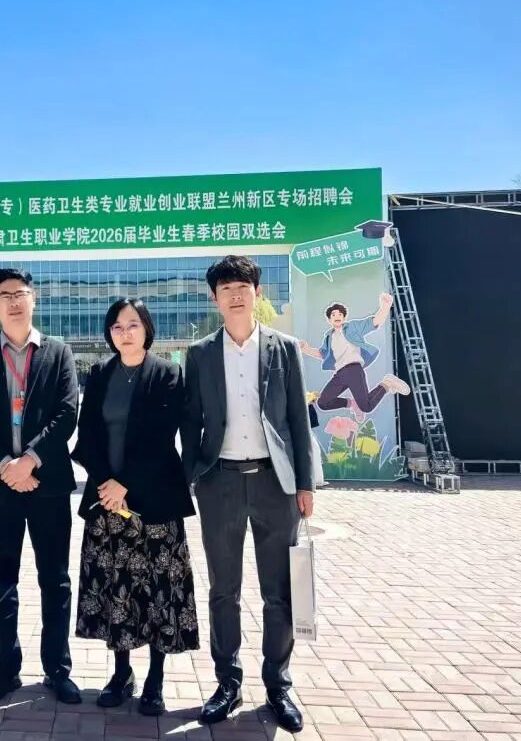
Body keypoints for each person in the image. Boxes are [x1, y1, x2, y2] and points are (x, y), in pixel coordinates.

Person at [181, 255, 318, 733]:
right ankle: (228, 682)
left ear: (256, 293)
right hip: (219, 483)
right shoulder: (199, 354)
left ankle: (278, 684)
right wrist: (194, 476)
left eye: (243, 287)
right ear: (215, 298)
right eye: (226, 288)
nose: (236, 295)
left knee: (278, 592)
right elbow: (190, 422)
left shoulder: (283, 349)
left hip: (274, 484)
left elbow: (298, 421)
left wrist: (305, 484)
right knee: (224, 590)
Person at [72, 298, 199, 717]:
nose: (124, 333)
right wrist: (106, 484)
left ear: (147, 329)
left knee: (158, 589)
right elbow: (87, 434)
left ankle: (155, 679)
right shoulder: (100, 374)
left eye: (132, 325)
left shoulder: (167, 374)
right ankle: (121, 673)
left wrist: (124, 483)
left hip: (155, 501)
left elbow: (161, 438)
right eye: (117, 326)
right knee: (117, 588)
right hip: (107, 502)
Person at [0, 268, 81, 705]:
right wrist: (4, 465)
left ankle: (58, 670)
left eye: (21, 293)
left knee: (56, 580)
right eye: (5, 295)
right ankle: (4, 671)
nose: (14, 301)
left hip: (48, 485)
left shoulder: (58, 353)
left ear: (34, 299)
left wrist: (30, 459)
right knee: (1, 582)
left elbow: (67, 413)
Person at [299, 295, 410, 421]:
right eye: (333, 315)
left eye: (340, 314)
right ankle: (353, 404)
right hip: (339, 374)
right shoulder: (328, 338)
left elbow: (374, 322)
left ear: (344, 317)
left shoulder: (352, 327)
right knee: (323, 403)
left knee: (367, 406)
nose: (337, 316)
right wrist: (305, 349)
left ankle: (386, 384)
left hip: (353, 370)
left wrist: (385, 307)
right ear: (329, 319)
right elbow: (322, 354)